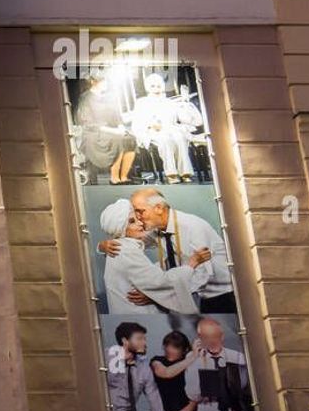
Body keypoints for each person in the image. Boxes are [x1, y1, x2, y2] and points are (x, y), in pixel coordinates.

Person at [97, 188, 234, 313]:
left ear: (158, 208)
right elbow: (127, 238)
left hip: (219, 296)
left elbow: (203, 275)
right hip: (194, 296)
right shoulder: (155, 229)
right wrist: (103, 246)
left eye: (140, 211)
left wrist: (158, 295)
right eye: (135, 214)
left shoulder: (193, 227)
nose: (138, 218)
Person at [185, 317, 255, 411]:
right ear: (199, 338)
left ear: (222, 336)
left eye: (215, 336)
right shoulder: (193, 358)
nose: (212, 341)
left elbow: (243, 389)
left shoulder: (238, 357)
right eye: (206, 337)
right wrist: (205, 369)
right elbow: (192, 393)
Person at [126, 71, 203, 183]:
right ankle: (171, 173)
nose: (156, 88)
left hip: (172, 129)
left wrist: (185, 102)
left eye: (158, 85)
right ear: (148, 88)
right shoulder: (142, 103)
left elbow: (189, 120)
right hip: (153, 132)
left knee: (180, 137)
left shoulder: (170, 102)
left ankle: (185, 172)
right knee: (165, 139)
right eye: (153, 86)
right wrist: (150, 125)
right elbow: (137, 122)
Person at [107, 322, 164, 411]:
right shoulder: (107, 356)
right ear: (125, 341)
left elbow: (154, 399)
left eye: (144, 338)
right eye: (139, 339)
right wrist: (121, 360)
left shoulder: (143, 367)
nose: (144, 343)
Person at [72, 72, 136, 184]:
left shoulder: (109, 97)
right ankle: (114, 177)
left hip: (112, 130)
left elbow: (117, 117)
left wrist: (120, 127)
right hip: (94, 133)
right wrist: (113, 131)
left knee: (131, 139)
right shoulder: (86, 98)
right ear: (93, 82)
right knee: (118, 139)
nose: (106, 83)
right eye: (103, 81)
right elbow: (87, 122)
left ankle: (123, 176)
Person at [150, 331, 208, 411]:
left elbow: (194, 400)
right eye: (167, 345)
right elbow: (166, 373)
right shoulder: (157, 360)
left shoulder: (192, 364)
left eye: (175, 347)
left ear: (184, 349)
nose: (169, 349)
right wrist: (192, 357)